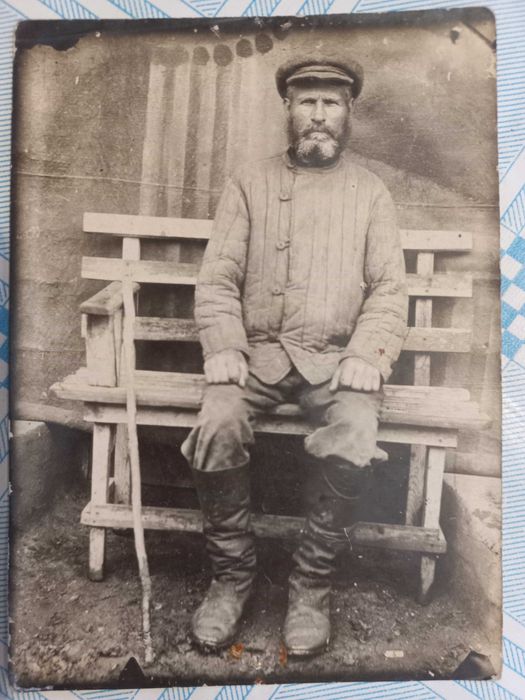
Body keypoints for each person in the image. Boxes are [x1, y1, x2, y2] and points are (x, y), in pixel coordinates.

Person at [181, 54, 408, 657]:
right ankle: (231, 578)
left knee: (354, 431)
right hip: (256, 354)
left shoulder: (371, 193)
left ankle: (311, 587)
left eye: (331, 103)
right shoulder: (248, 183)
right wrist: (223, 344)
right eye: (307, 101)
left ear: (349, 111)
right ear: (288, 108)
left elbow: (389, 288)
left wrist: (368, 354)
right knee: (218, 423)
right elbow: (218, 277)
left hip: (334, 361)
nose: (319, 115)